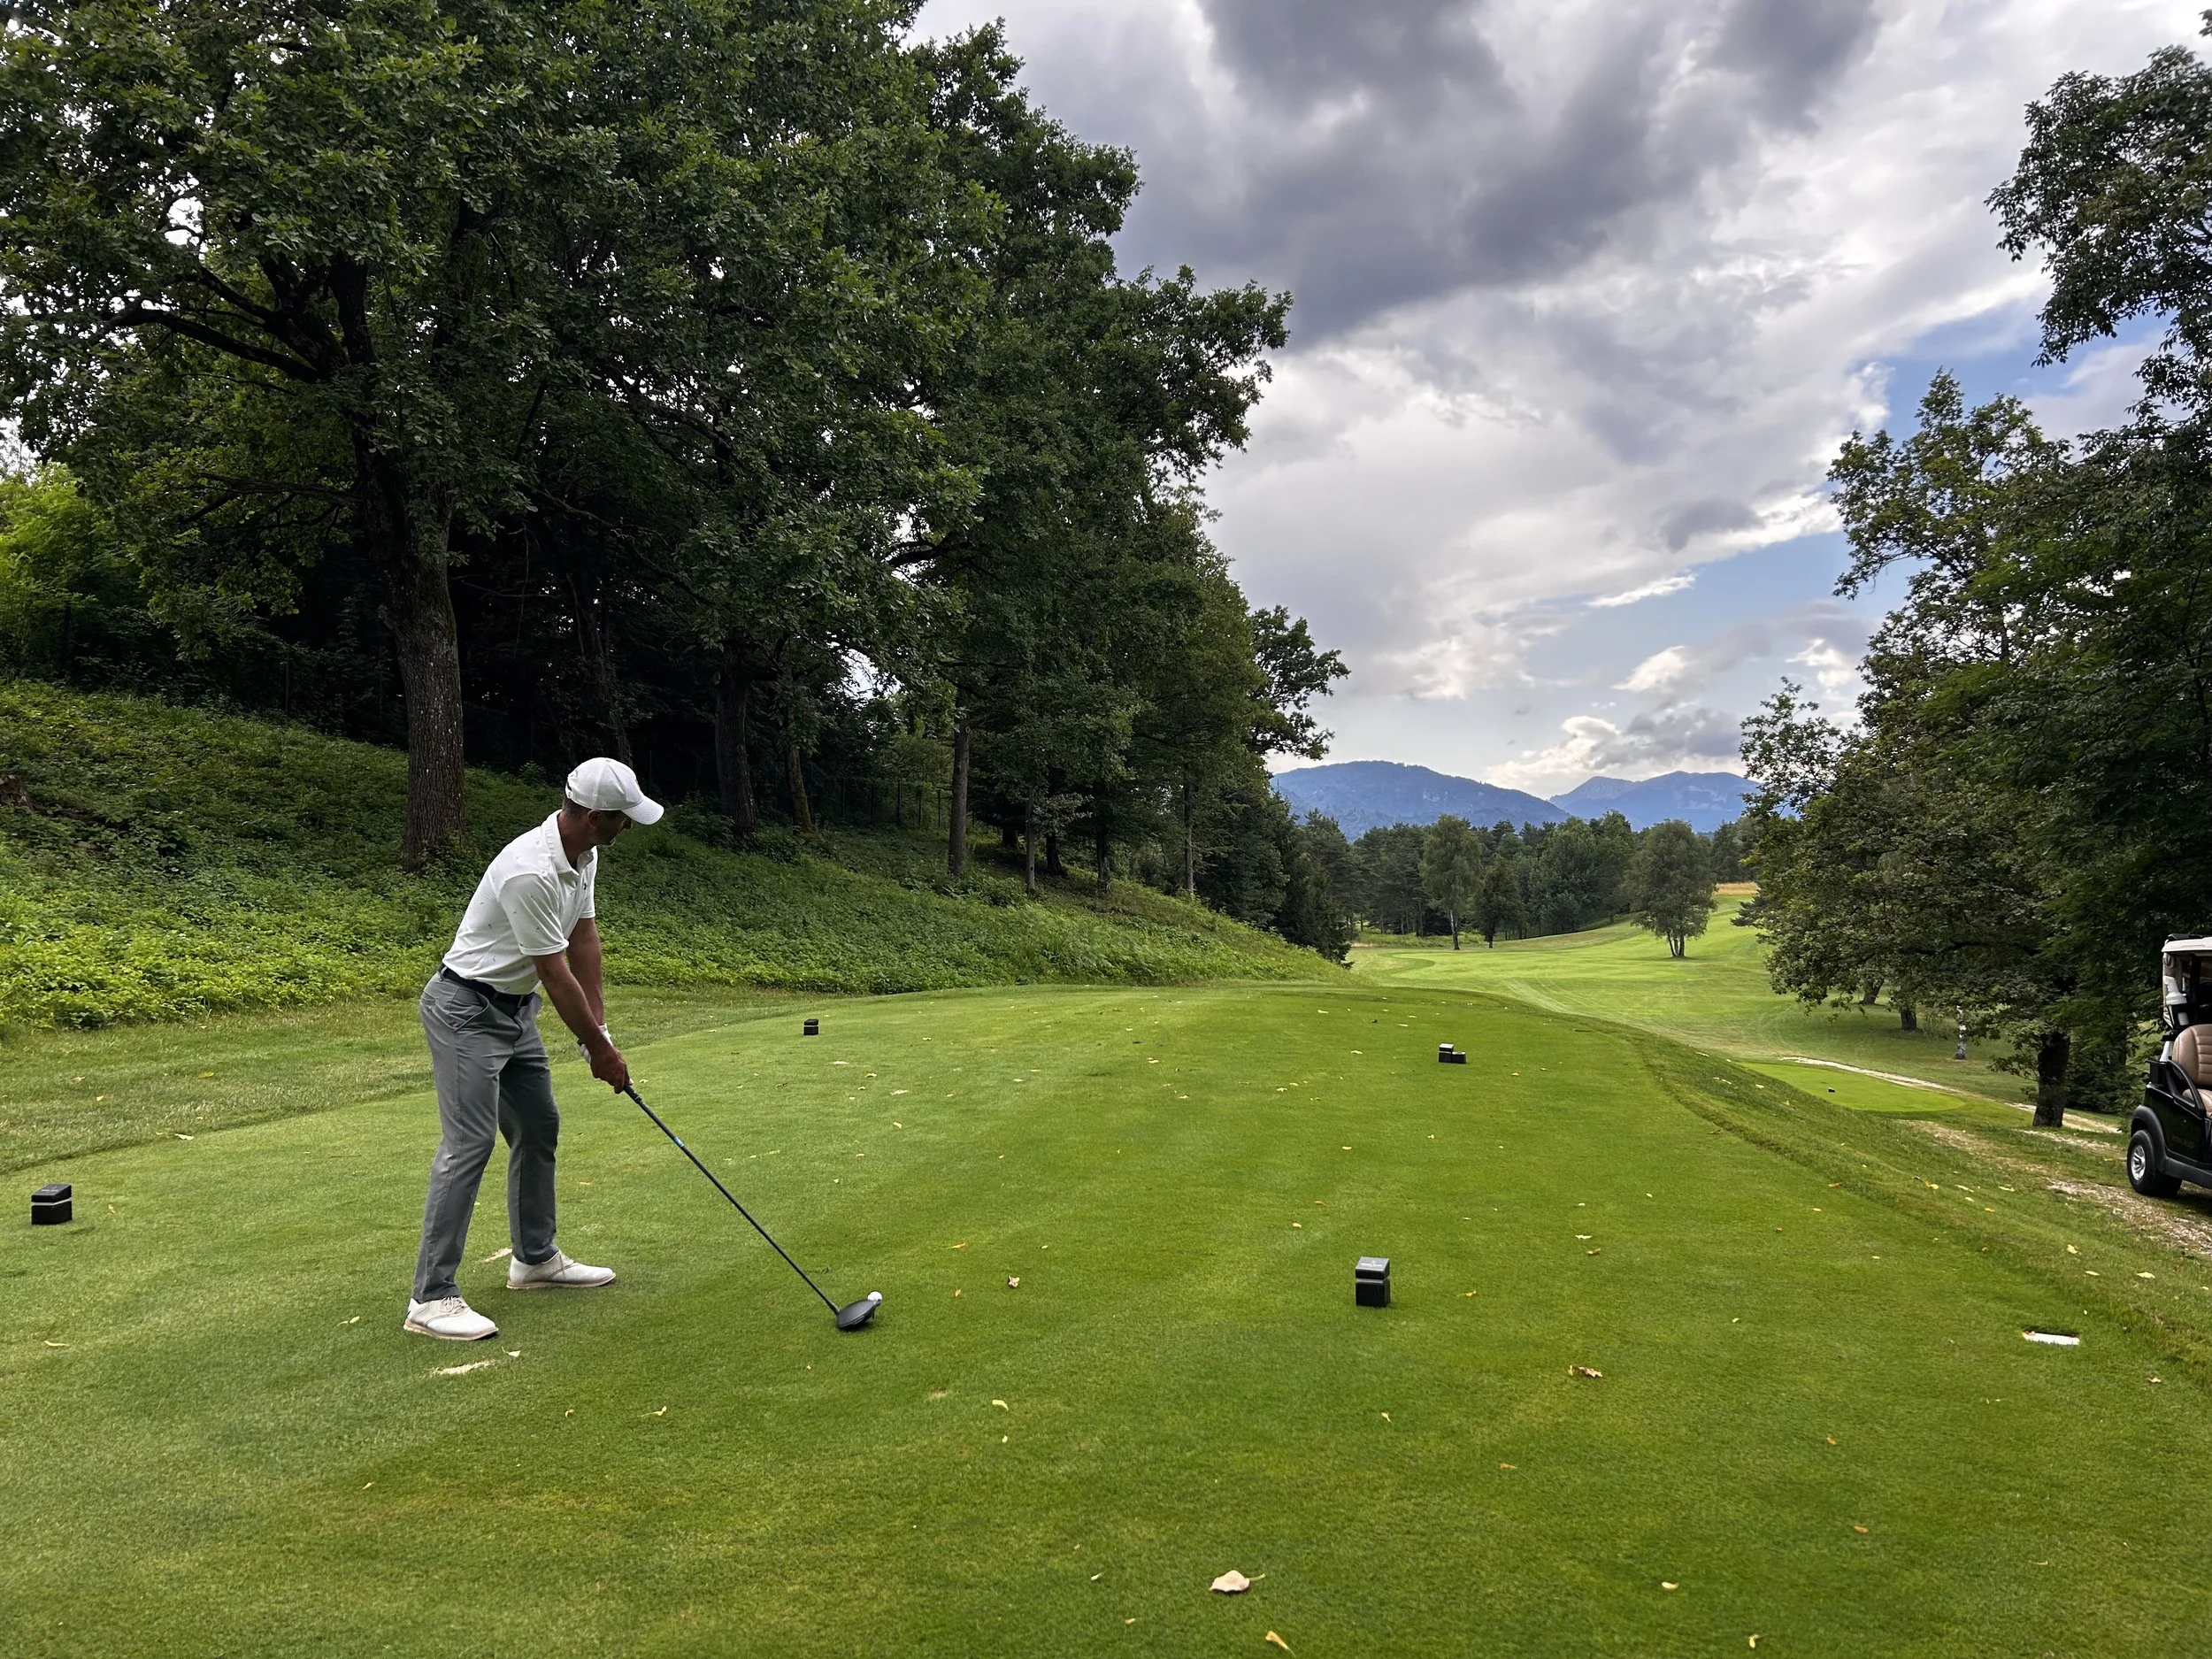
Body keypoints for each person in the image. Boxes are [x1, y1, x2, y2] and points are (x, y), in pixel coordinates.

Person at [403, 757, 662, 1341]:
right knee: (468, 1142)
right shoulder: (530, 870)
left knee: (539, 1124)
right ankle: (431, 1295)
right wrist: (595, 1049)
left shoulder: (583, 854)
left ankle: (535, 1258)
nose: (628, 829)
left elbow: (584, 940)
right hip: (465, 1010)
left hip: (514, 1013)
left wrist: (602, 1030)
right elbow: (554, 971)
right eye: (623, 820)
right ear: (595, 816)